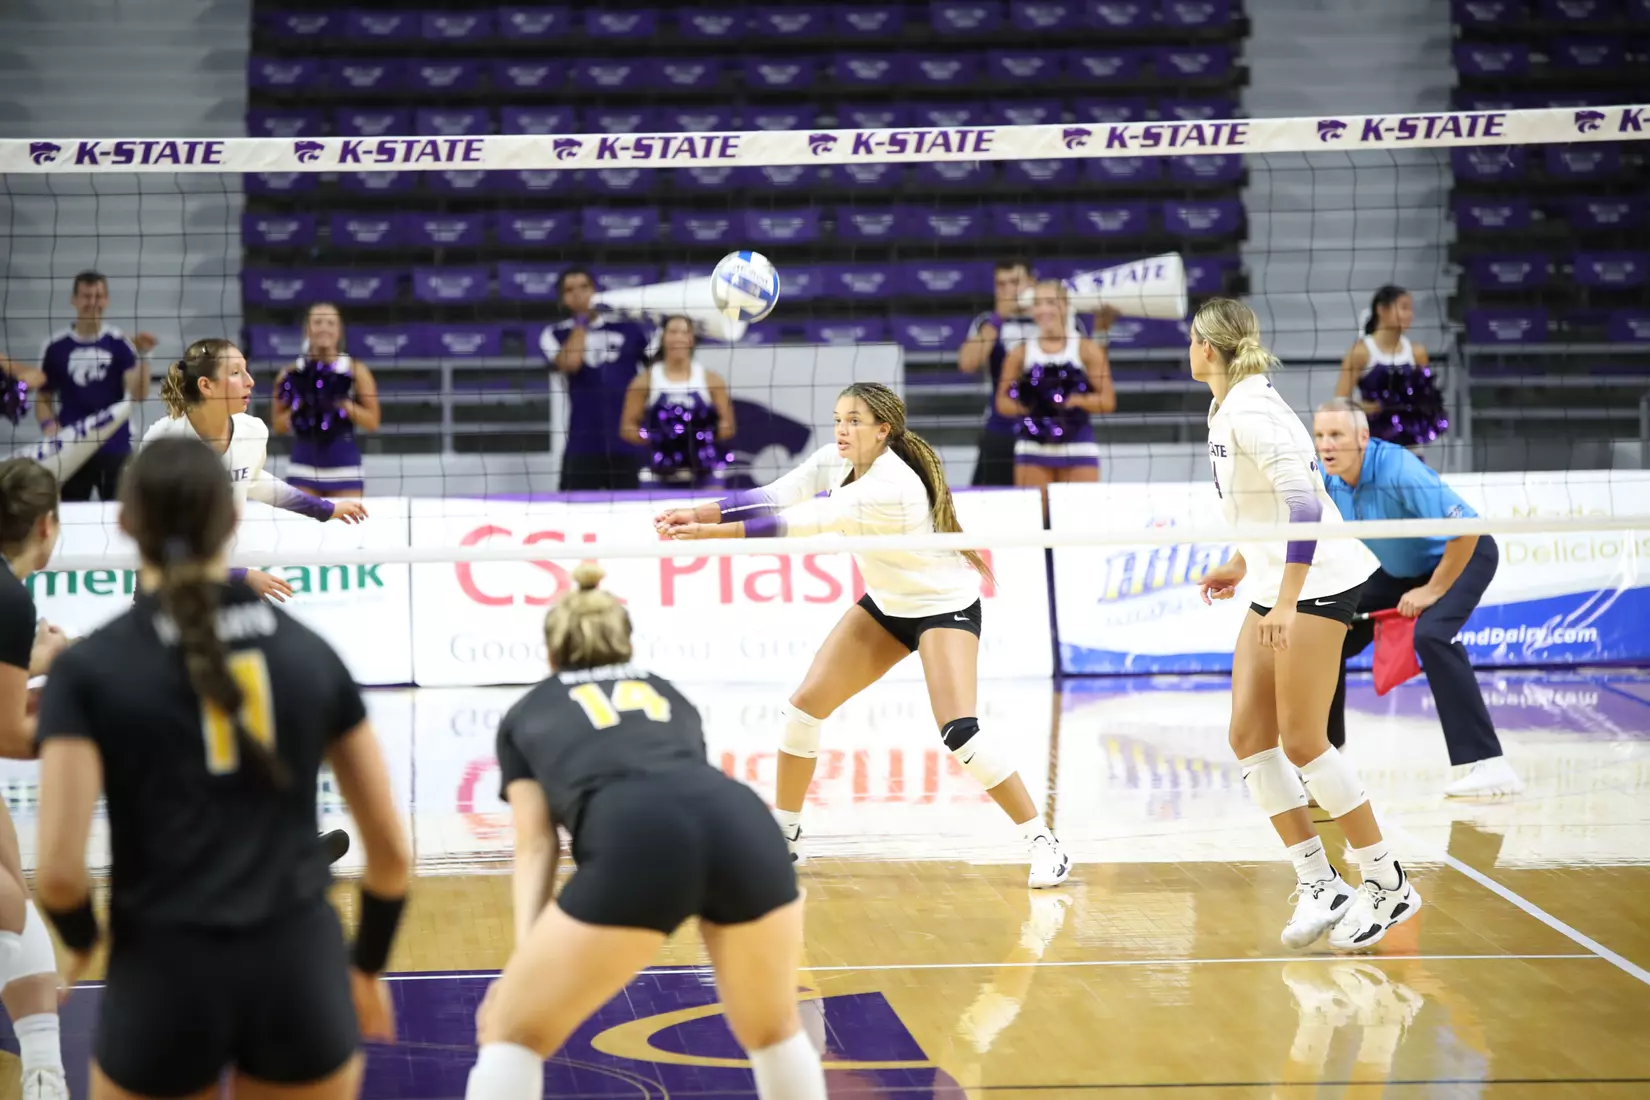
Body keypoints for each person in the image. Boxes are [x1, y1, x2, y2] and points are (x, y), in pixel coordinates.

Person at [32, 437, 411, 1100]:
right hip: (296, 969)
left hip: (163, 972)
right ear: (233, 519)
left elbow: (61, 876)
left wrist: (84, 942)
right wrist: (366, 966)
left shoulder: (90, 671)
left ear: (125, 523)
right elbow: (391, 857)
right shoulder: (311, 656)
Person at [656, 382, 1070, 889]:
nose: (842, 430)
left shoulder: (890, 486)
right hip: (888, 605)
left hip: (943, 606)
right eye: (838, 419)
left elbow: (798, 525)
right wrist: (698, 513)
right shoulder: (837, 460)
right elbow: (771, 497)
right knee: (803, 710)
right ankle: (785, 836)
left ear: (883, 431)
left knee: (960, 733)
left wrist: (705, 534)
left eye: (854, 421)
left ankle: (1043, 841)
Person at [465, 564, 825, 1100]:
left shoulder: (525, 713)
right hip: (743, 822)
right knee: (773, 1031)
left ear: (551, 653)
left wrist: (526, 958)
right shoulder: (665, 692)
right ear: (626, 643)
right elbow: (686, 788)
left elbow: (537, 844)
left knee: (510, 1031)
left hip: (640, 836)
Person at [1190, 298, 1421, 951]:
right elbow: (1268, 507)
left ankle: (1388, 882)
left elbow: (1305, 507)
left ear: (1207, 348)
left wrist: (1287, 602)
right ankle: (1321, 882)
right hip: (1277, 584)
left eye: (1191, 340)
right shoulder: (1227, 406)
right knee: (1248, 736)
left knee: (1303, 742)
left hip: (1316, 584)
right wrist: (1242, 562)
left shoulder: (1254, 412)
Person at [1314, 397, 1522, 797]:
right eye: (1320, 435)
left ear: (1362, 437)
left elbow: (1468, 528)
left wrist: (1433, 590)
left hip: (1464, 554)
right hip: (1403, 572)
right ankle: (1329, 758)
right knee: (1329, 631)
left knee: (1432, 635)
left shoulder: (1398, 469)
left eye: (1336, 435)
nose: (1326, 445)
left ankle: (1491, 765)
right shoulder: (1327, 479)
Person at [143, 338, 368, 604]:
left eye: (246, 371)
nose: (250, 381)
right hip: (170, 585)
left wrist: (325, 509)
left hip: (224, 573)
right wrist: (242, 576)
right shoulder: (164, 441)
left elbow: (255, 480)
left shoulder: (252, 431)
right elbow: (162, 541)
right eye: (236, 373)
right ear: (206, 386)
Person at [0, 458, 72, 1100]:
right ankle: (45, 1078)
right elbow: (8, 735)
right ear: (46, 525)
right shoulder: (9, 600)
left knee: (13, 899)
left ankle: (44, 1075)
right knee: (13, 912)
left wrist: (44, 665)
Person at [33, 272, 157, 502]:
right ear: (74, 299)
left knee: (120, 514)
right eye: (86, 296)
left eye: (98, 296)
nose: (92, 302)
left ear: (106, 300)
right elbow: (43, 397)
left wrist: (144, 356)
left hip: (115, 445)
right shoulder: (55, 347)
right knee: (69, 515)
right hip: (72, 447)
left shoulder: (119, 343)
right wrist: (49, 426)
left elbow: (139, 394)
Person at [539, 268, 657, 492]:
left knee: (632, 506)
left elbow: (656, 370)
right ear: (563, 300)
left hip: (627, 440)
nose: (578, 294)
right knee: (573, 507)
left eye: (584, 287)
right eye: (570, 290)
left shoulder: (628, 328)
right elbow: (571, 363)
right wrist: (581, 322)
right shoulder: (554, 334)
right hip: (583, 441)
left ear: (596, 291)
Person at [995, 280, 1115, 491]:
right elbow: (1002, 403)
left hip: (1078, 447)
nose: (1044, 309)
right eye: (1038, 303)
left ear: (1066, 306)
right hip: (1032, 449)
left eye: (1051, 302)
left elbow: (1107, 401)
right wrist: (1033, 407)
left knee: (1082, 512)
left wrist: (1073, 401)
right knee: (1033, 512)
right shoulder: (1019, 353)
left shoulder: (1087, 349)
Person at [271, 303, 380, 498]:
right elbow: (278, 426)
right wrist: (300, 404)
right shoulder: (290, 373)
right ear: (307, 329)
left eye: (330, 323)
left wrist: (341, 401)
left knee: (346, 520)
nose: (324, 328)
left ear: (339, 331)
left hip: (345, 470)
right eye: (317, 322)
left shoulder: (356, 370)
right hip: (302, 470)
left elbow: (372, 422)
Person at [618, 315, 737, 488]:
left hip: (704, 474)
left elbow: (728, 427)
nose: (678, 338)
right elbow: (627, 427)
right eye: (673, 332)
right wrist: (660, 437)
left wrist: (697, 435)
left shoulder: (711, 380)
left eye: (684, 332)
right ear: (663, 337)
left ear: (692, 339)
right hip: (658, 476)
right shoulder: (645, 380)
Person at [1335, 285, 1447, 451]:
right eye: (1404, 308)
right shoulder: (1360, 352)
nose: (1410, 315)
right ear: (1382, 310)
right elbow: (1339, 402)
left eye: (1411, 309)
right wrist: (1371, 407)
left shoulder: (1417, 352)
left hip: (1409, 445)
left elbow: (1426, 398)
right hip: (1372, 445)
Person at [959, 259, 1036, 487]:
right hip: (1000, 428)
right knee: (987, 500)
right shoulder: (986, 323)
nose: (1008, 290)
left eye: (1015, 282)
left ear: (1032, 282)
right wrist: (998, 317)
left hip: (1049, 429)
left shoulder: (1056, 318)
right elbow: (967, 364)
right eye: (1001, 284)